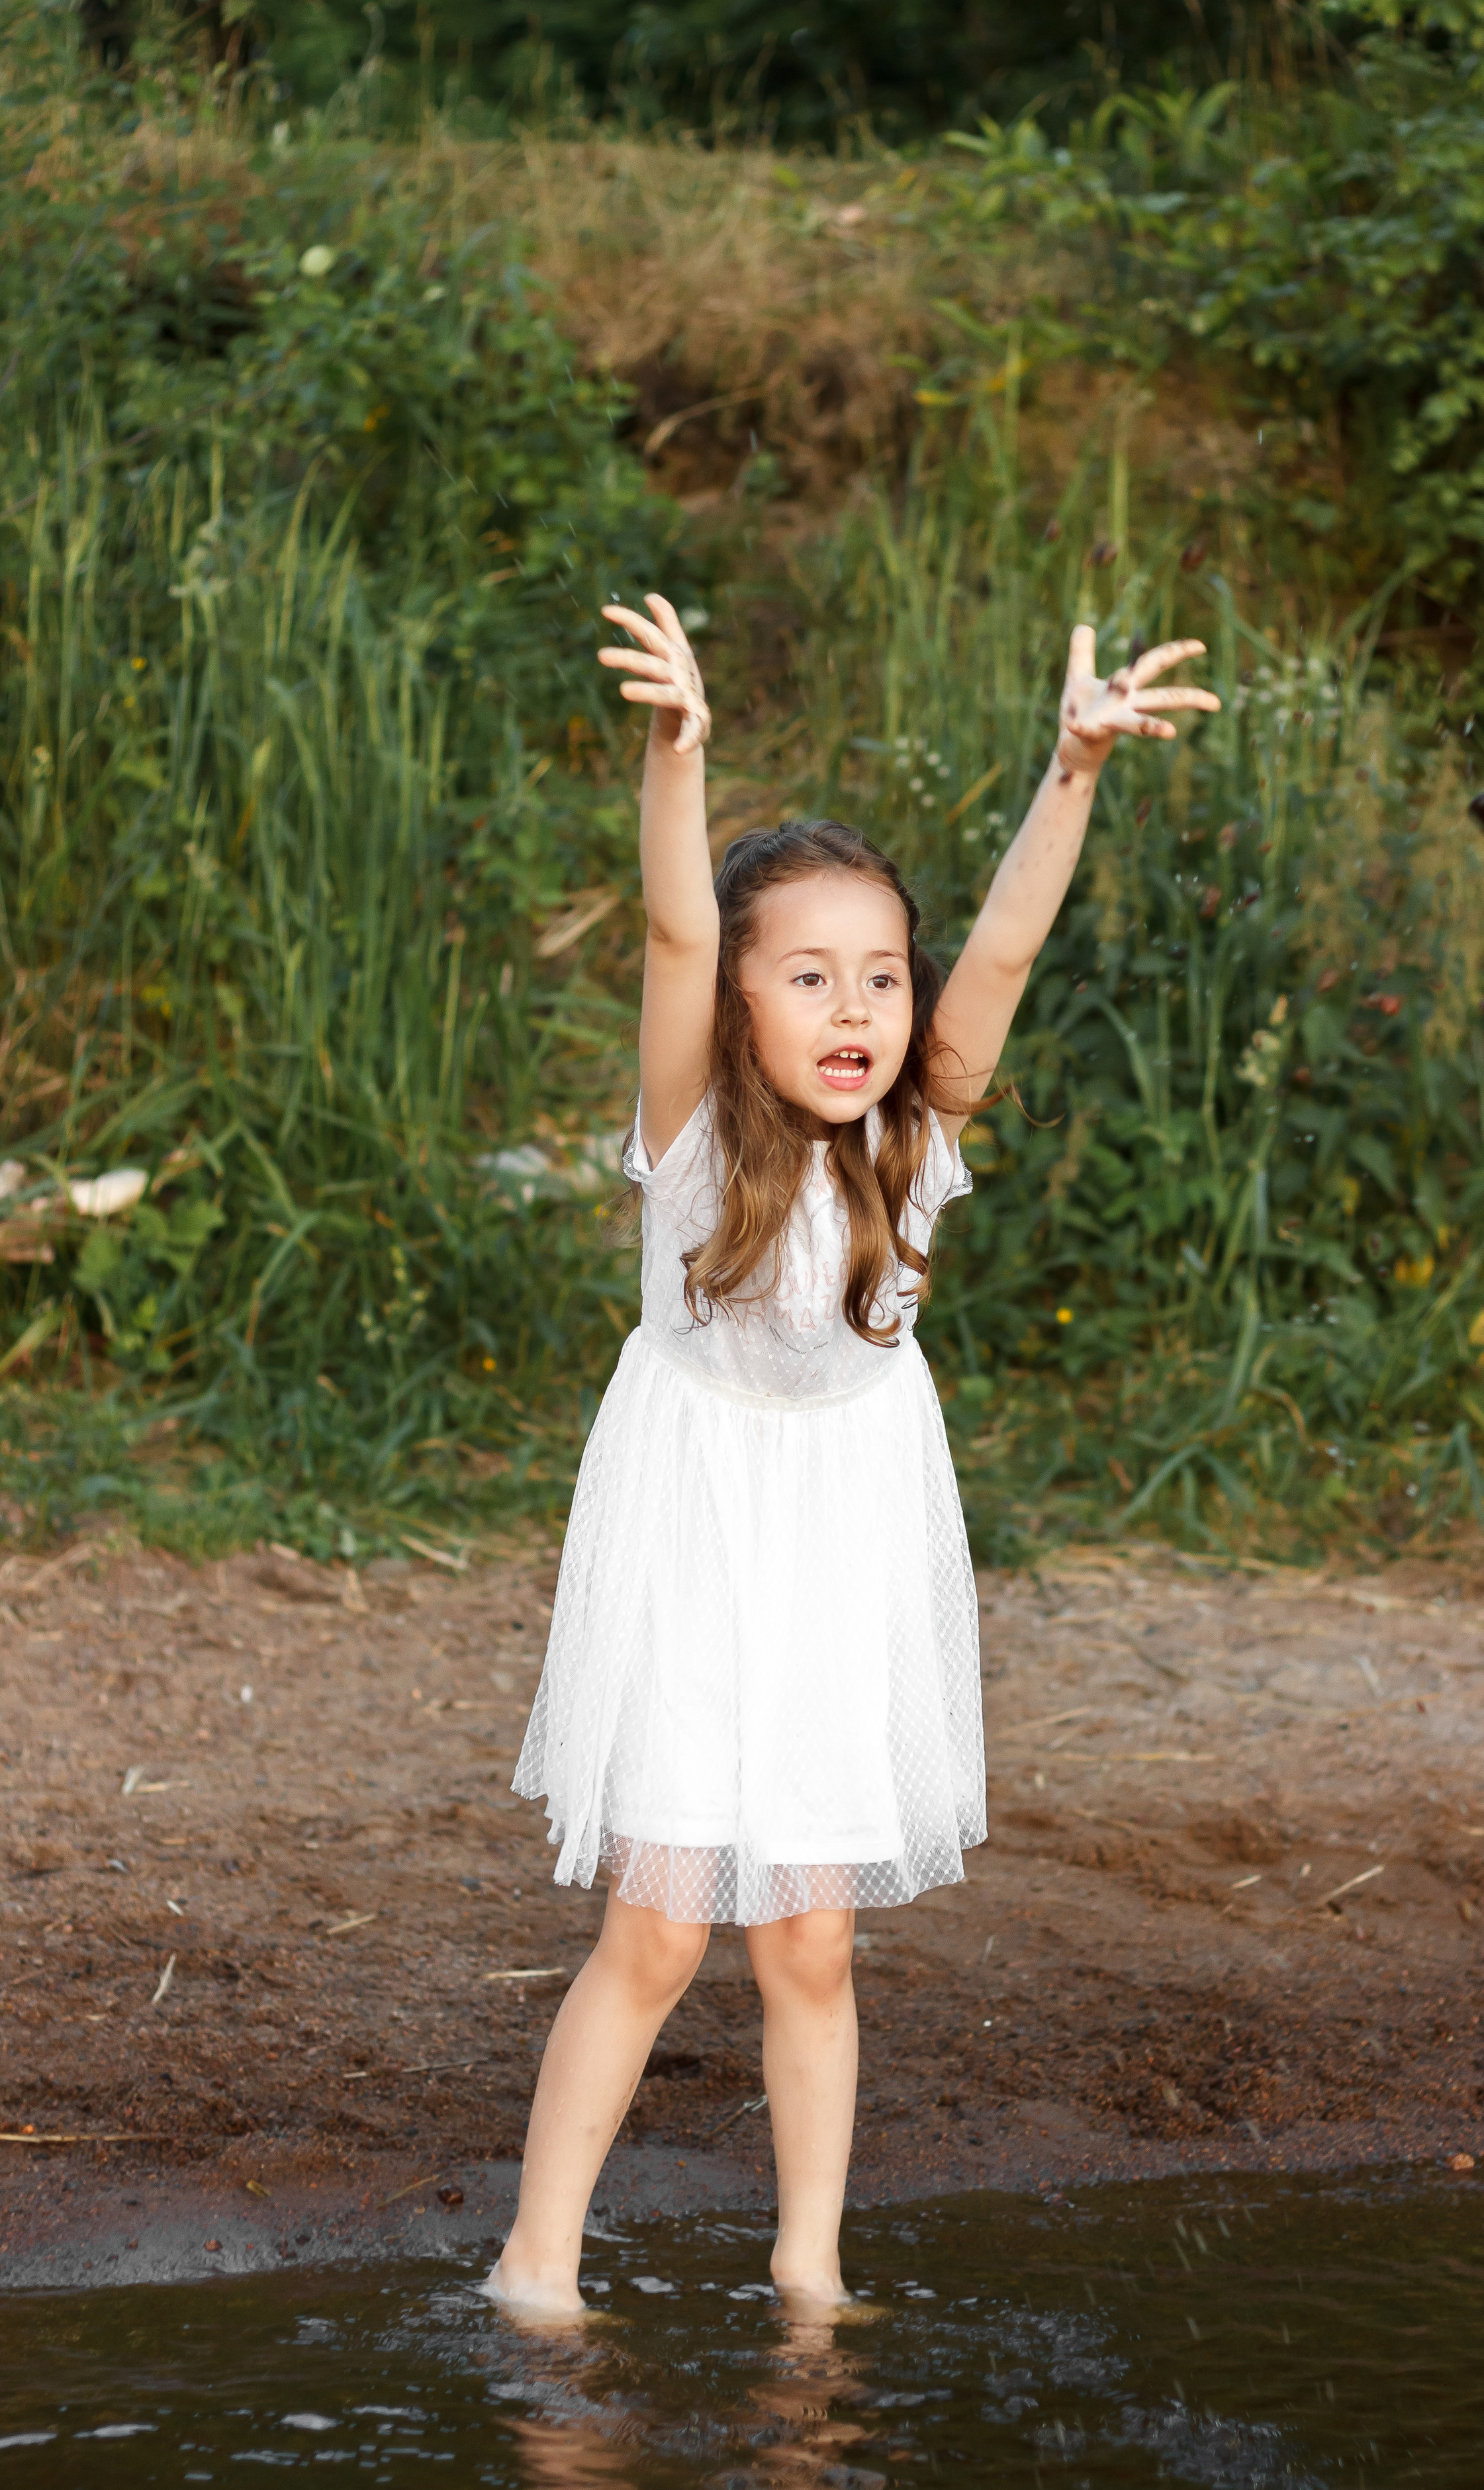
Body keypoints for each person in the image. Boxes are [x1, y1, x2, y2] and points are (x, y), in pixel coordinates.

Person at [489, 593, 1219, 2317]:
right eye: (808, 975)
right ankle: (538, 2265)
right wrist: (679, 760)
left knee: (810, 1934)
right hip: (688, 1532)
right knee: (663, 1925)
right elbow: (673, 933)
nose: (857, 1008)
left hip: (844, 1544)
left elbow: (1013, 957)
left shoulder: (912, 1140)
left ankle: (811, 2272)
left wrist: (1072, 768)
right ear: (743, 1003)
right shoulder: (686, 1149)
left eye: (879, 977)